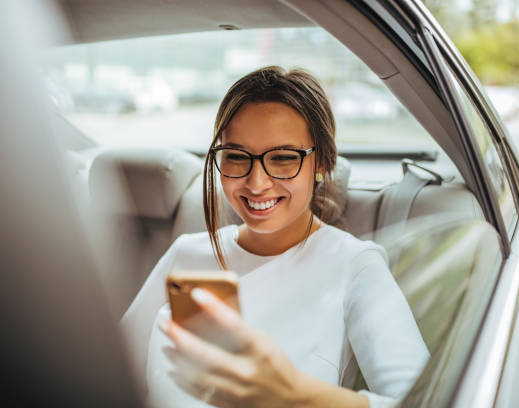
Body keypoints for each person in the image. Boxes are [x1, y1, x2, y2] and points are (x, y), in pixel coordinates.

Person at [121, 66, 429, 408]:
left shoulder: (355, 266)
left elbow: (427, 402)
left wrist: (294, 395)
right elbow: (107, 373)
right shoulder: (185, 255)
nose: (256, 183)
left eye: (283, 158)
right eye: (237, 157)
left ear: (323, 162)